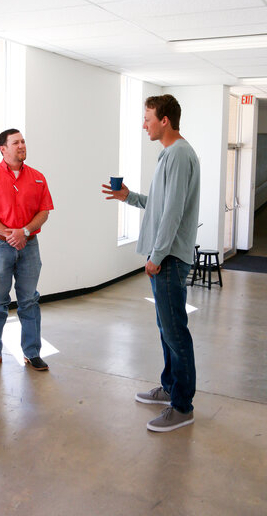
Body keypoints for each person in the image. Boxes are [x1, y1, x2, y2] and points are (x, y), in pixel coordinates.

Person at [102, 94, 200, 433]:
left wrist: (156, 257)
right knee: (166, 329)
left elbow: (172, 214)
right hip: (166, 256)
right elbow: (160, 204)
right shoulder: (170, 155)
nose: (144, 125)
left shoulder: (179, 155)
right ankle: (171, 387)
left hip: (170, 258)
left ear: (165, 121)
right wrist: (128, 196)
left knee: (175, 332)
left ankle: (182, 406)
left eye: (148, 119)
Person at [0, 129, 54, 372]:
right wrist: (11, 233)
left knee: (29, 300)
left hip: (29, 246)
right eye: (16, 142)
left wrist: (25, 232)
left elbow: (44, 211)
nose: (22, 145)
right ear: (3, 149)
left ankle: (32, 353)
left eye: (23, 141)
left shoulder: (38, 178)